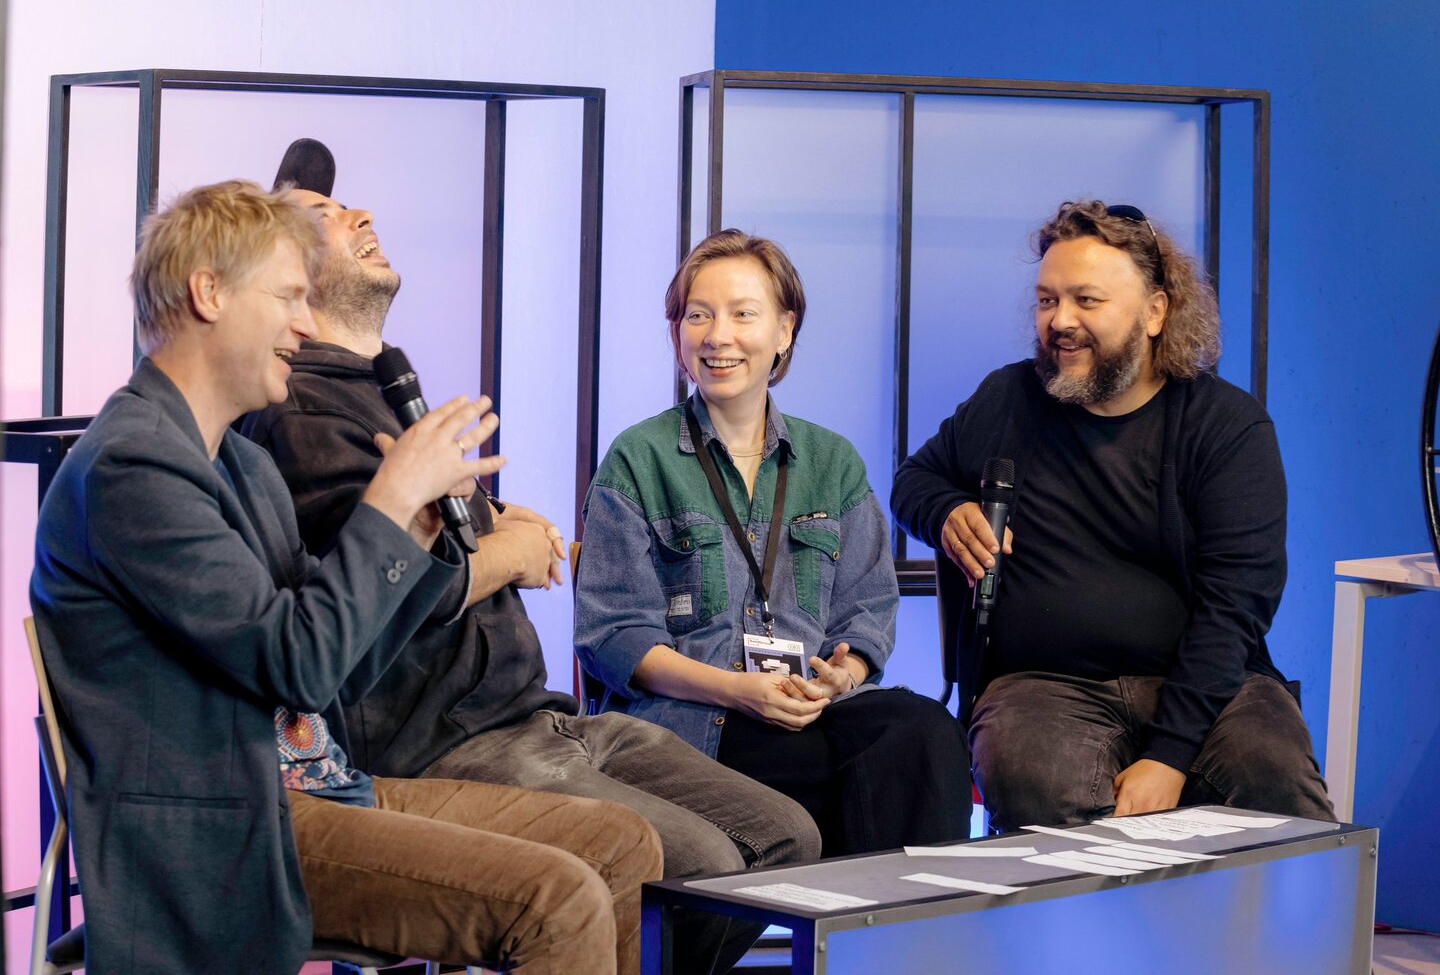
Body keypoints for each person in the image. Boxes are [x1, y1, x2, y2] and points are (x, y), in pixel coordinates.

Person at [30, 180, 661, 974]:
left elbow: (344, 669)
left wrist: (421, 531)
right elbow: (294, 660)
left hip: (326, 787)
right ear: (209, 293)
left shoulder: (242, 465)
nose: (304, 323)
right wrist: (386, 503)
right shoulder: (132, 466)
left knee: (621, 843)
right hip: (236, 826)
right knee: (558, 899)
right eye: (288, 297)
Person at [241, 141, 820, 975]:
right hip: (447, 742)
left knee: (787, 838)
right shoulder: (301, 413)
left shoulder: (386, 389)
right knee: (703, 864)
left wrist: (500, 528)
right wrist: (509, 551)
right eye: (326, 217)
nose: (363, 215)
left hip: (542, 716)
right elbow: (382, 593)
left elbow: (460, 531)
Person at [891, 199, 1336, 832]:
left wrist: (1170, 754)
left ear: (1156, 311)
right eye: (1047, 301)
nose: (1060, 321)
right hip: (1041, 687)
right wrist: (946, 510)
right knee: (1035, 781)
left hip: (1208, 684)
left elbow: (1237, 603)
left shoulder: (1226, 426)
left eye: (1087, 301)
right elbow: (913, 480)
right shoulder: (1008, 399)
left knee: (1275, 780)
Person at [574, 228, 972, 858]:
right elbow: (613, 636)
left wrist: (841, 676)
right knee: (822, 774)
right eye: (698, 315)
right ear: (677, 332)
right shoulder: (637, 459)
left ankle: (903, 920)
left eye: (743, 314)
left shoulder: (832, 462)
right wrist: (735, 689)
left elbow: (868, 610)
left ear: (784, 330)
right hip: (693, 724)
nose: (718, 336)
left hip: (814, 710)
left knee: (924, 733)